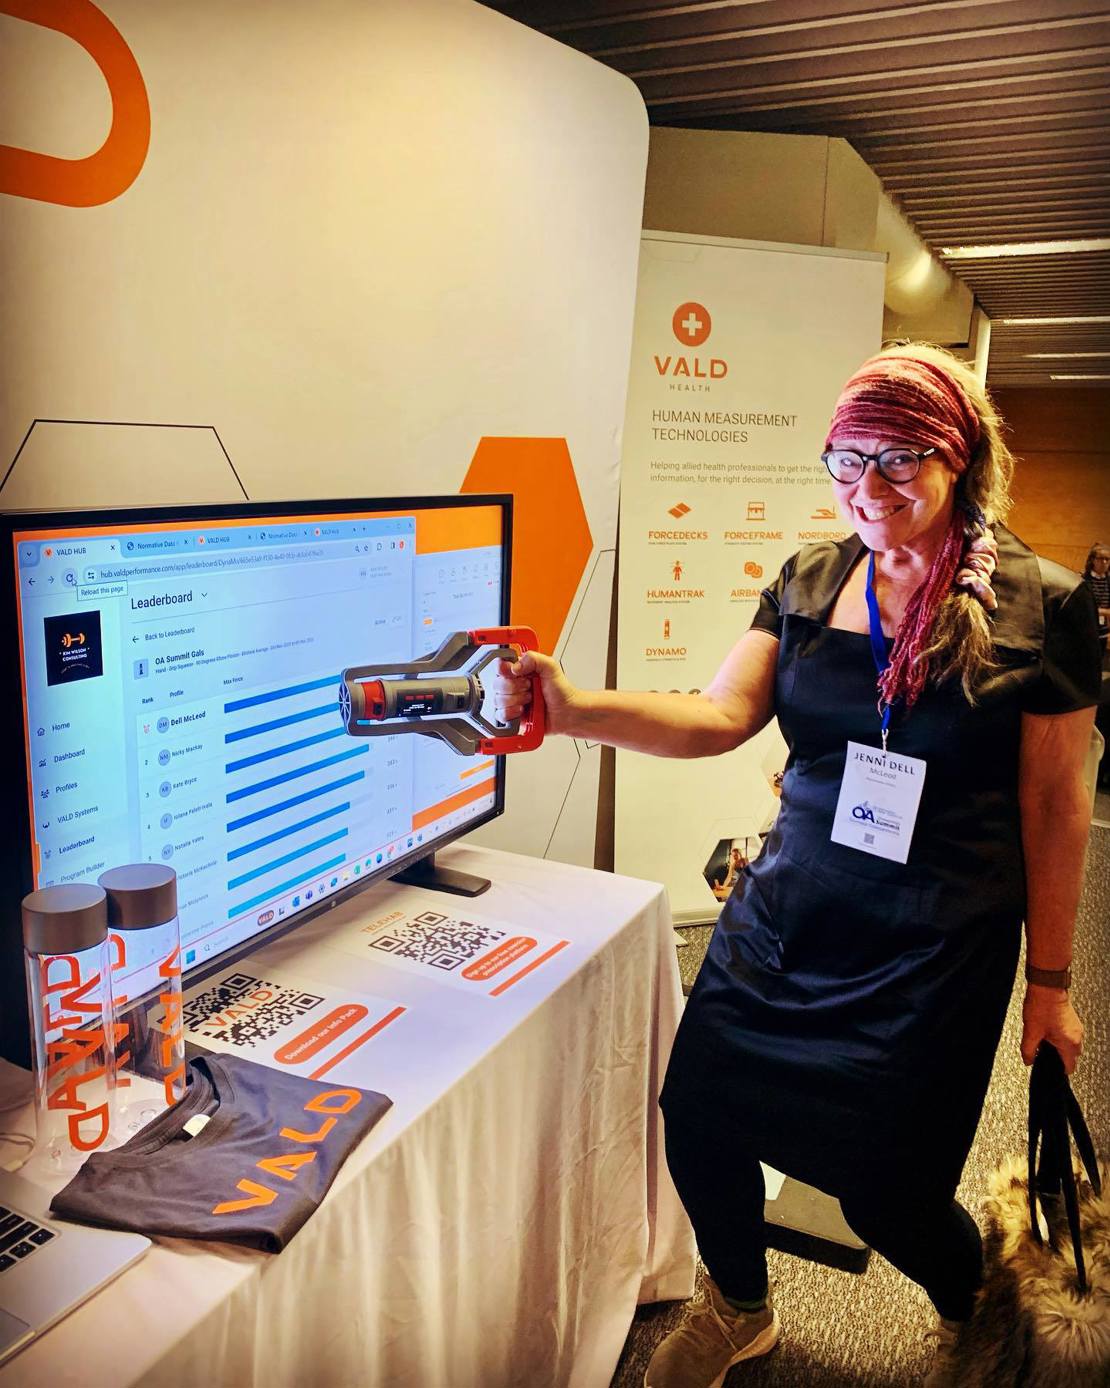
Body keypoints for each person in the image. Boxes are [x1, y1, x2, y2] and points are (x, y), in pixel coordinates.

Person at [493, 344, 1101, 1387]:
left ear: (956, 457)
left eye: (899, 459)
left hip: (934, 948)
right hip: (786, 917)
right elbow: (720, 715)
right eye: (846, 461)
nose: (868, 487)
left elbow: (1055, 805)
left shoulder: (1044, 606)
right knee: (701, 1120)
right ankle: (739, 1306)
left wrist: (1051, 984)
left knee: (890, 1194)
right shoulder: (811, 578)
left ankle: (988, 1330)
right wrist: (573, 709)